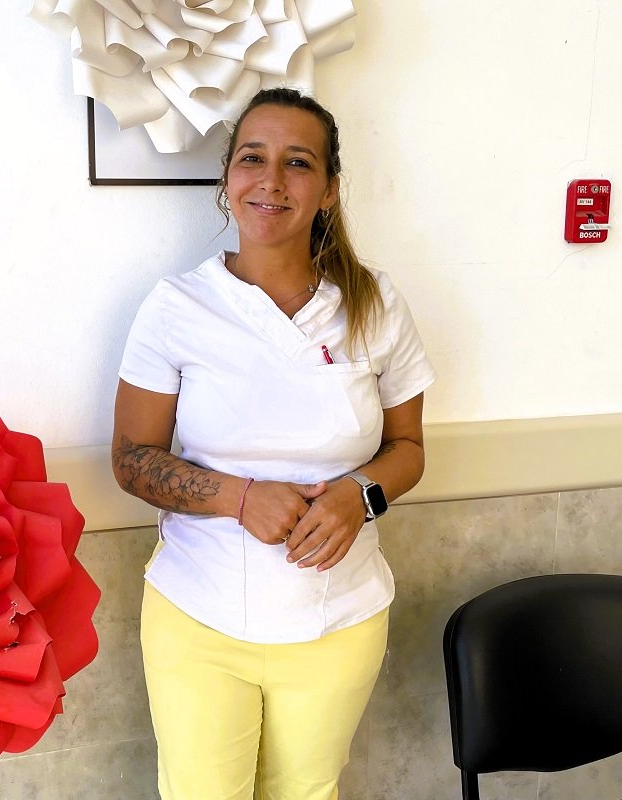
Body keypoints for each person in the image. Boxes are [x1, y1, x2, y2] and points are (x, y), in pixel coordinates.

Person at [111, 87, 436, 800]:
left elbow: (408, 446)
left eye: (298, 162)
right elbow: (132, 460)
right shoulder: (177, 307)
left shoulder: (375, 304)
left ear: (329, 190)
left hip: (339, 619)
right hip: (199, 618)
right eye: (253, 158)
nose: (272, 180)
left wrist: (359, 495)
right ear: (228, 178)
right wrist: (238, 497)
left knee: (307, 793)